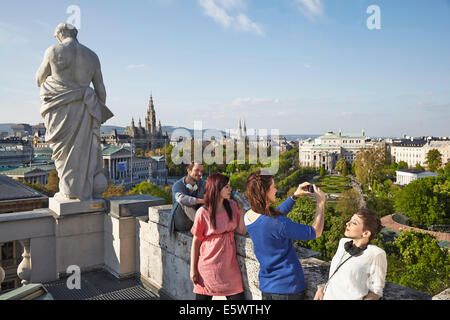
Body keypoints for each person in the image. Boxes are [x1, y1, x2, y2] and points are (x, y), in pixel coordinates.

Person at [36, 23, 113, 201]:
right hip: (86, 108)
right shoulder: (92, 56)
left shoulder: (53, 51)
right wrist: (97, 114)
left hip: (61, 110)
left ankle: (70, 191)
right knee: (83, 151)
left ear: (61, 34)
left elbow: (39, 79)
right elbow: (101, 90)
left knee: (64, 154)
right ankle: (81, 191)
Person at [244, 171, 326, 300]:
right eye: (273, 187)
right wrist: (321, 203)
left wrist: (294, 196)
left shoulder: (248, 216)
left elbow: (273, 217)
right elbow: (315, 232)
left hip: (267, 286)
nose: (276, 190)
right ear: (264, 192)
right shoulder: (277, 223)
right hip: (288, 287)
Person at [190, 173, 247, 300]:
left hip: (230, 268)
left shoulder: (232, 205)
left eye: (229, 186)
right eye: (226, 187)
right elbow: (196, 242)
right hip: (208, 268)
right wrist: (193, 269)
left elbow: (242, 231)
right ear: (216, 188)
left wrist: (242, 211)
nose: (230, 190)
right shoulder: (203, 212)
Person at [314, 208, 387, 300]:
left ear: (366, 233)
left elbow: (376, 292)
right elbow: (338, 275)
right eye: (350, 220)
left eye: (354, 223)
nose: (347, 223)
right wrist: (322, 289)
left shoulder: (376, 254)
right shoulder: (343, 243)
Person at [169, 162, 206, 236]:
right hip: (181, 222)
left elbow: (212, 191)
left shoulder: (201, 183)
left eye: (201, 171)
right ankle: (204, 226)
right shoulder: (178, 185)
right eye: (197, 170)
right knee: (184, 201)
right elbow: (180, 198)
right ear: (189, 170)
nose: (200, 174)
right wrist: (201, 200)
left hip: (194, 222)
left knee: (207, 203)